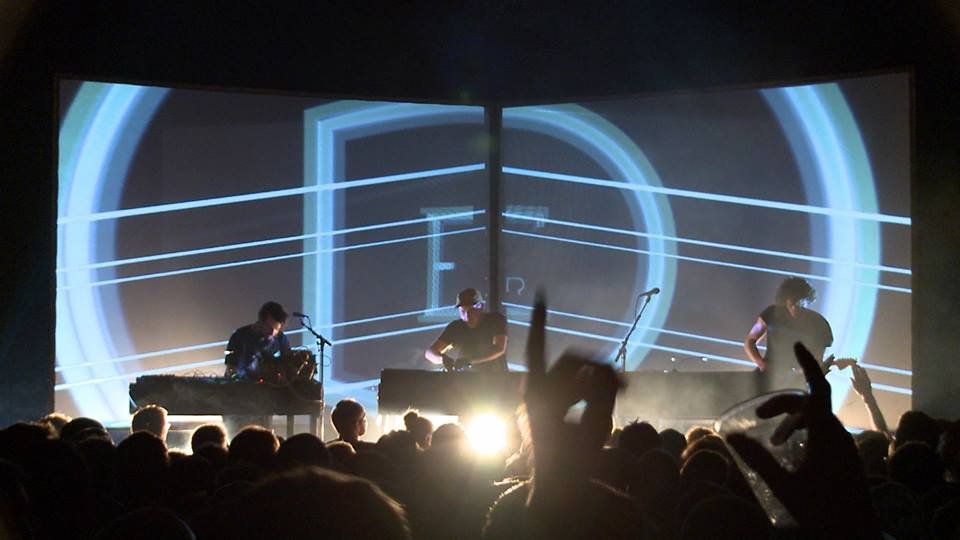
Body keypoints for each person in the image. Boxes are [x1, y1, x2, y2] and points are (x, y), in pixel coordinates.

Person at [743, 277, 833, 391]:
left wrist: (801, 374)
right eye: (792, 302)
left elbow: (818, 359)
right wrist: (762, 364)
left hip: (798, 382)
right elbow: (750, 341)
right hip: (767, 376)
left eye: (799, 303)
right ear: (786, 300)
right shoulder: (771, 313)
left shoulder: (819, 324)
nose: (795, 307)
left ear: (807, 300)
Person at [425, 288, 508, 372]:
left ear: (482, 307)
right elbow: (430, 353)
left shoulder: (495, 320)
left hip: (495, 376)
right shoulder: (455, 327)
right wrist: (443, 359)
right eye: (463, 311)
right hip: (465, 378)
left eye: (471, 310)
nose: (467, 316)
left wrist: (470, 361)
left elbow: (499, 348)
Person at [225, 301, 292, 380]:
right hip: (243, 384)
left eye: (276, 329)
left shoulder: (281, 339)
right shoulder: (239, 336)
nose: (272, 332)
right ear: (260, 321)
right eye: (269, 327)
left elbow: (288, 362)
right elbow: (231, 368)